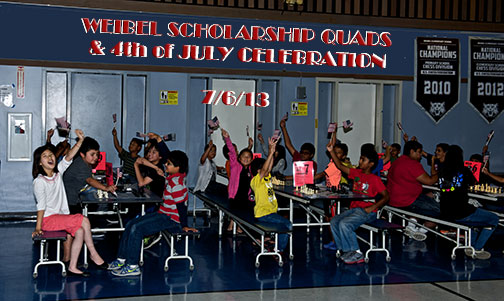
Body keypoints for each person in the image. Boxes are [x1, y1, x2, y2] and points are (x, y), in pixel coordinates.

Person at [107, 150, 197, 276]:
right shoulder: (172, 178)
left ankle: (133, 266)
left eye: (169, 164)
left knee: (137, 229)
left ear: (178, 167)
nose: (166, 165)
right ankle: (121, 259)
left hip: (171, 220)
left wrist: (184, 226)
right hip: (163, 214)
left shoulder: (177, 183)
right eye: (166, 162)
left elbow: (181, 207)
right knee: (130, 224)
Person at [32, 129, 107, 277]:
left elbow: (69, 156)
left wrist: (80, 141)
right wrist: (38, 227)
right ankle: (94, 254)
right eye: (45, 156)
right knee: (84, 220)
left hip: (60, 217)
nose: (50, 157)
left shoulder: (58, 173)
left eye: (51, 155)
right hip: (48, 220)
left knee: (79, 232)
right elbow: (40, 206)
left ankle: (72, 266)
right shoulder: (39, 181)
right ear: (40, 163)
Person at [326, 141, 389, 264]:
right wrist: (331, 151)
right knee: (334, 221)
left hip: (367, 212)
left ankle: (357, 253)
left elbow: (386, 196)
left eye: (363, 160)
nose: (360, 161)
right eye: (360, 159)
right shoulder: (356, 173)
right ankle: (346, 250)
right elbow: (339, 165)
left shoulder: (375, 179)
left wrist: (373, 207)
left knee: (345, 224)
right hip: (354, 210)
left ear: (371, 164)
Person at [438, 145, 498, 260]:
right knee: (493, 219)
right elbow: (473, 182)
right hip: (462, 212)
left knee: (475, 217)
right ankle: (478, 248)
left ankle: (471, 246)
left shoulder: (442, 170)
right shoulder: (462, 169)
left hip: (446, 211)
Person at [387, 140, 439, 241]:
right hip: (408, 200)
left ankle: (411, 226)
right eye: (419, 152)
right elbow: (430, 181)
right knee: (441, 211)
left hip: (393, 199)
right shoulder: (412, 164)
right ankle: (421, 230)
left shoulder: (397, 161)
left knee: (427, 197)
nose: (420, 155)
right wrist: (434, 168)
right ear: (412, 151)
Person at [250, 136, 292, 256]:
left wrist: (272, 151)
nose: (267, 169)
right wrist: (270, 153)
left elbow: (268, 167)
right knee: (287, 224)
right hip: (263, 214)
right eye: (263, 168)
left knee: (283, 224)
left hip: (271, 213)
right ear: (258, 171)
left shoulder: (267, 178)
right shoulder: (256, 181)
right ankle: (278, 250)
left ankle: (275, 244)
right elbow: (265, 169)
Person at [63, 137, 117, 214]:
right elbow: (89, 180)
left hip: (74, 198)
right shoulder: (80, 164)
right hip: (70, 202)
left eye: (97, 154)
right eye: (92, 154)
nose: (96, 157)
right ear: (82, 154)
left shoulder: (86, 162)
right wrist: (105, 188)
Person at [222, 128, 254, 233]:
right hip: (235, 196)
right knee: (238, 211)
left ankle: (236, 227)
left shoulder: (250, 170)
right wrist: (227, 138)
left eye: (248, 157)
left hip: (245, 196)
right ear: (239, 158)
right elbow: (232, 151)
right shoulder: (236, 166)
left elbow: (247, 154)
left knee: (246, 210)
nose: (246, 159)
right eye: (243, 157)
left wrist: (249, 147)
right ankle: (235, 227)